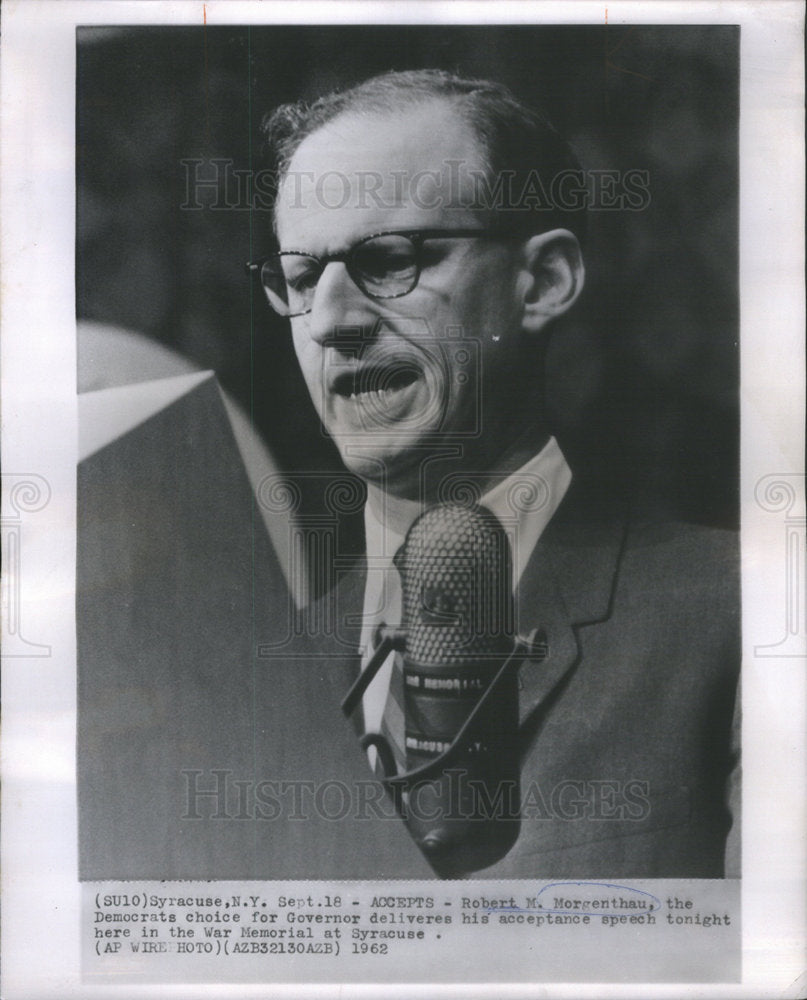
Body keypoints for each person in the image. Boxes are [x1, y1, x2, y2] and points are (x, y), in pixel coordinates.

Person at [252, 69, 740, 878]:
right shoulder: (251, 674)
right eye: (302, 279)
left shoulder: (745, 617)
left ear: (543, 282)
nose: (332, 322)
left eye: (390, 259)